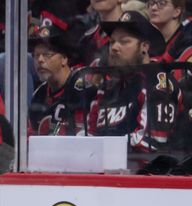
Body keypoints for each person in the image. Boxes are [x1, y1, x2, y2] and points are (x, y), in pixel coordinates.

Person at [87, 12, 180, 152]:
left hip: (146, 170)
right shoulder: (108, 86)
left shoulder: (159, 82)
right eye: (112, 42)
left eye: (124, 41)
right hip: (103, 167)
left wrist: (103, 148)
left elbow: (151, 143)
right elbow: (89, 133)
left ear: (144, 47)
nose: (114, 47)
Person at [28, 24, 88, 136]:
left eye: (47, 54)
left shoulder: (81, 87)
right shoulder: (39, 94)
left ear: (64, 59)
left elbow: (83, 136)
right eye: (36, 55)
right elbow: (31, 137)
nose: (40, 60)